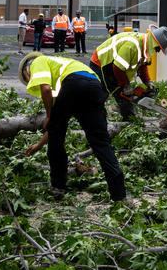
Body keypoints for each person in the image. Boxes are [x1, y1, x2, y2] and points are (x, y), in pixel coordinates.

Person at [20, 52, 127, 202]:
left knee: (57, 139)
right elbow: (56, 123)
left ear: (27, 70)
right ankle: (119, 195)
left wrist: (49, 116)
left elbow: (45, 90)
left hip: (74, 84)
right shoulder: (62, 67)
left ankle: (58, 187)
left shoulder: (38, 61)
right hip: (95, 87)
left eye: (28, 79)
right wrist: (39, 145)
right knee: (101, 143)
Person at [91, 26, 167, 120]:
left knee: (124, 96)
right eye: (158, 49)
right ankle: (95, 119)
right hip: (102, 63)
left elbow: (142, 65)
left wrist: (147, 82)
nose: (157, 52)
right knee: (103, 93)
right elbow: (117, 67)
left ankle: (127, 116)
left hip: (116, 67)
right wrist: (125, 85)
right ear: (155, 44)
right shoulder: (132, 45)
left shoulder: (145, 45)